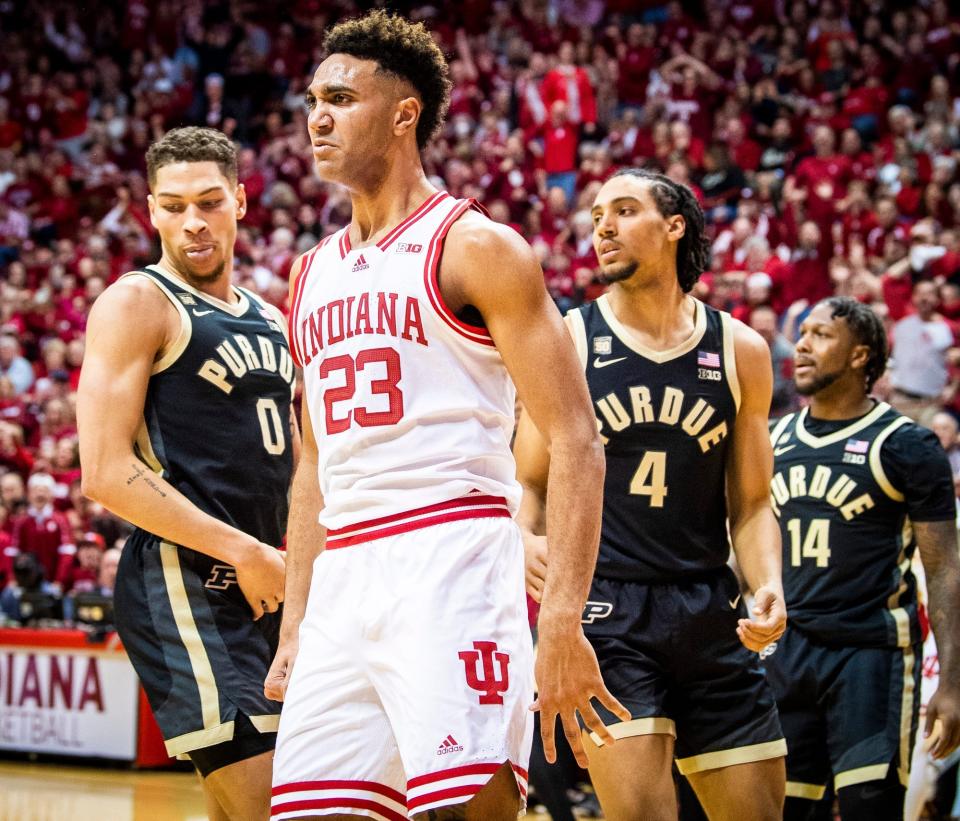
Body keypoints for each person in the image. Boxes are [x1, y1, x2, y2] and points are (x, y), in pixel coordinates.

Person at [266, 12, 625, 820]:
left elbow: (576, 439)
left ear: (405, 114)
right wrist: (296, 625)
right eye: (312, 99)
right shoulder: (308, 272)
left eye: (341, 98)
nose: (316, 116)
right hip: (343, 581)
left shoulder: (477, 247)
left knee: (469, 813)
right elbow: (313, 468)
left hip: (451, 555)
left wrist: (560, 616)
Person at [515, 168, 787, 821]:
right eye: (597, 212)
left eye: (624, 209)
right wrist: (522, 535)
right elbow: (529, 479)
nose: (601, 224)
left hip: (709, 603)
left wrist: (768, 580)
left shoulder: (741, 349)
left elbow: (751, 502)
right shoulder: (570, 338)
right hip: (609, 607)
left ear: (674, 227)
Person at [77, 126, 294, 821]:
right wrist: (243, 550)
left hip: (271, 582)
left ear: (240, 199)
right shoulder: (137, 302)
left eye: (208, 201)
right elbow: (105, 471)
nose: (192, 222)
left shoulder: (273, 318)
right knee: (273, 804)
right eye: (173, 206)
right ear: (150, 211)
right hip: (186, 582)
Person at [766, 296, 960, 820]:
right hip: (788, 652)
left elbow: (943, 569)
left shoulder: (909, 445)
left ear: (861, 356)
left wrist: (954, 683)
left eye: (822, 334)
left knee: (869, 807)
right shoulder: (772, 438)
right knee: (787, 809)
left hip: (870, 654)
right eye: (802, 332)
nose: (802, 344)